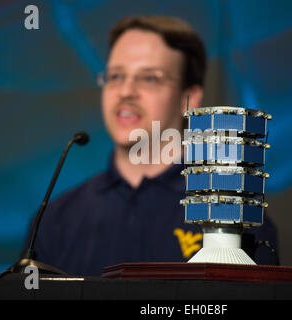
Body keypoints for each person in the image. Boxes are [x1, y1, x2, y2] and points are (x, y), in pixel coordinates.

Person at [24, 15, 278, 277]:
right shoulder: (55, 220)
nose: (125, 91)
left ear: (188, 99)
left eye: (149, 78)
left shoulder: (232, 217)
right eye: (115, 76)